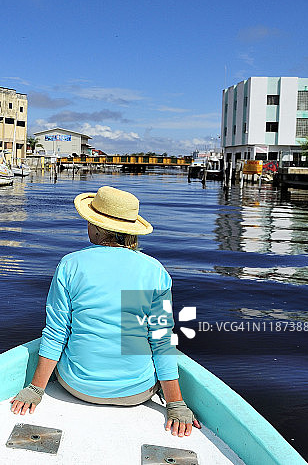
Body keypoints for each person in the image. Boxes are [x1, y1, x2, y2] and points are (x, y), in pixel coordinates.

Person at [10, 186, 201, 437]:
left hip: (76, 386)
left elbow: (56, 333)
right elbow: (161, 341)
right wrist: (175, 404)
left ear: (98, 228)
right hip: (137, 392)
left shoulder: (70, 265)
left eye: (89, 221)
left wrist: (35, 389)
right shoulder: (155, 271)